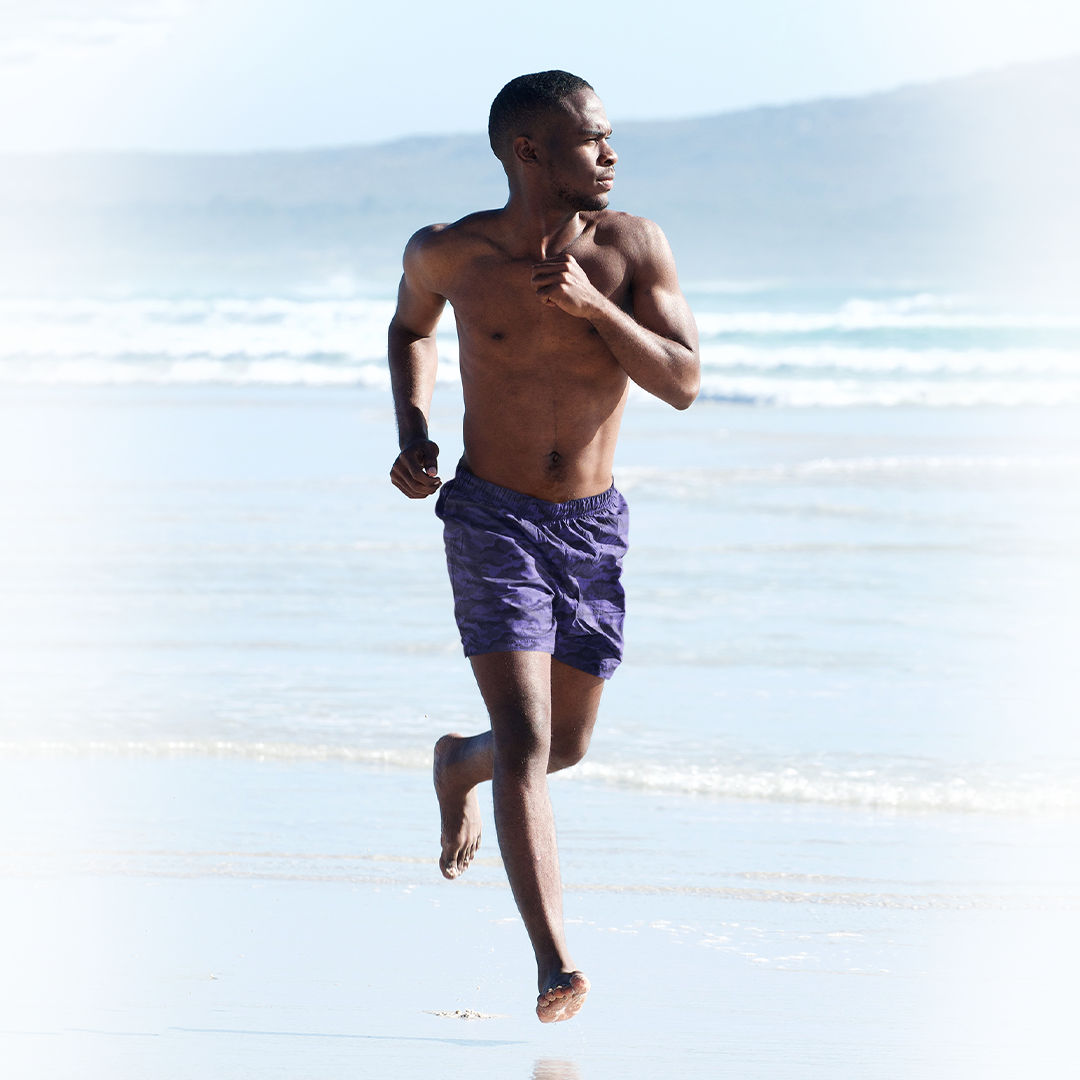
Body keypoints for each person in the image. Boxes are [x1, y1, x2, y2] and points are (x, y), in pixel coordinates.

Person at [388, 70, 700, 1024]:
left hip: (591, 527)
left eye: (609, 136)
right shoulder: (450, 252)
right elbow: (410, 328)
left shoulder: (632, 247)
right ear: (529, 151)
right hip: (490, 516)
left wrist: (596, 310)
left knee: (560, 747)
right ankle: (555, 962)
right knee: (527, 739)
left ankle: (459, 763)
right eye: (591, 138)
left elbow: (683, 382)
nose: (611, 153)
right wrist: (413, 430)